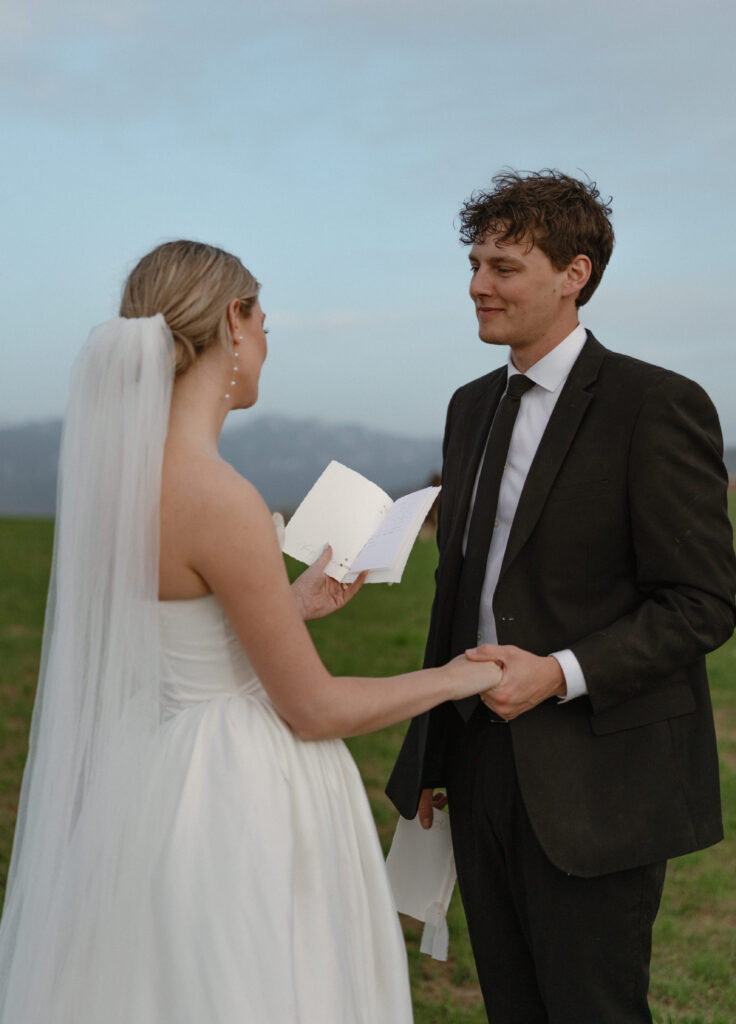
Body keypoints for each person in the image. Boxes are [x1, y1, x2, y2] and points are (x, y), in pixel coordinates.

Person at [0, 240, 501, 1024]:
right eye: (264, 322)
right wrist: (464, 674)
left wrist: (285, 603)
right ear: (234, 323)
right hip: (241, 800)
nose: (266, 344)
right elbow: (315, 708)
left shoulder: (118, 484)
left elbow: (175, 622)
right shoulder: (219, 496)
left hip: (154, 787)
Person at [386, 170, 736, 1024]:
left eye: (504, 266)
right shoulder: (469, 408)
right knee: (511, 1004)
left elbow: (703, 600)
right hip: (476, 760)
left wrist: (560, 673)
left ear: (574, 273)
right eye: (474, 263)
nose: (477, 284)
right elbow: (460, 587)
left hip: (598, 773)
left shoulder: (656, 405)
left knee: (592, 1009)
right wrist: (430, 755)